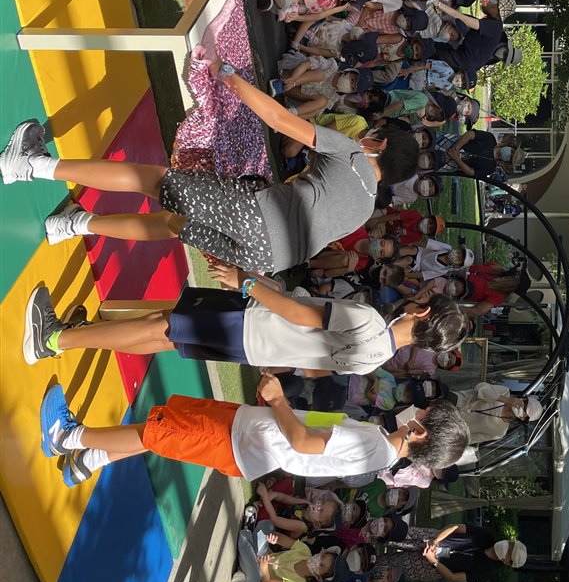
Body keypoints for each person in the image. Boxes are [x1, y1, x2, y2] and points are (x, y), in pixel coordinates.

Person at [1, 79, 417, 274]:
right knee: (172, 223)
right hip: (267, 260)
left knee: (152, 179)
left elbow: (278, 120)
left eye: (371, 132)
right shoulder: (366, 210)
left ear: (378, 143)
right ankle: (73, 225)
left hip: (258, 220)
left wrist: (232, 78)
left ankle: (31, 165)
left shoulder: (351, 151)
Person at [36, 374, 471, 487]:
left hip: (240, 440)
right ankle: (88, 462)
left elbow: (304, 442)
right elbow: (316, 433)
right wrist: (283, 406)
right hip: (248, 434)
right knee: (161, 433)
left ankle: (66, 436)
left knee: (156, 433)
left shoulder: (373, 443)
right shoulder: (377, 449)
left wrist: (279, 400)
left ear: (419, 433)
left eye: (425, 410)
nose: (417, 406)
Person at [23, 276, 468, 377]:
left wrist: (249, 283)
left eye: (425, 298)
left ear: (422, 314)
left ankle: (55, 338)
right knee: (164, 337)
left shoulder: (370, 321)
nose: (418, 294)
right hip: (256, 348)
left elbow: (299, 315)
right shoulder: (378, 358)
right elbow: (314, 365)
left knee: (162, 325)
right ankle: (74, 337)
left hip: (252, 325)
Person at [384, 521, 527, 582]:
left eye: (510, 552)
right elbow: (457, 527)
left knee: (387, 569)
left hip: (430, 567)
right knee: (388, 533)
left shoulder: (485, 571)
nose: (507, 547)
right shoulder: (487, 535)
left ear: (508, 562)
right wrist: (435, 540)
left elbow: (454, 577)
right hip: (431, 538)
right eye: (511, 544)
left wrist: (433, 561)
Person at [455, 382, 543, 443]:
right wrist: (507, 400)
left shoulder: (500, 431)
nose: (522, 405)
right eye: (525, 401)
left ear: (524, 418)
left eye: (525, 409)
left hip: (454, 426)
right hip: (457, 401)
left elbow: (471, 439)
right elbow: (480, 387)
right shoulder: (505, 392)